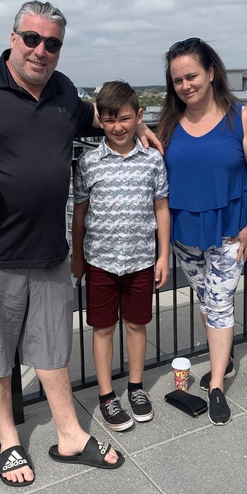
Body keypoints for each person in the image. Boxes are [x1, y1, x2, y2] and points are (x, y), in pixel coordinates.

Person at [0, 1, 159, 486]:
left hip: (48, 250)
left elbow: (96, 117)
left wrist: (140, 125)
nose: (41, 50)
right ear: (13, 38)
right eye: (32, 38)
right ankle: (9, 440)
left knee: (52, 346)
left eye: (52, 43)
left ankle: (70, 434)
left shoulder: (63, 91)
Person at [158, 38, 247, 426]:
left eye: (191, 76)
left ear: (210, 72)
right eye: (177, 80)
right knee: (207, 300)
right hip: (184, 232)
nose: (185, 85)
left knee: (219, 303)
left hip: (229, 230)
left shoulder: (242, 118)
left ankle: (217, 383)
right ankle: (226, 357)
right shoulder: (168, 123)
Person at [70, 80, 170, 431]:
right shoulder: (89, 161)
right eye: (110, 120)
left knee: (137, 324)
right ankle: (106, 394)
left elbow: (161, 208)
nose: (117, 127)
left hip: (141, 259)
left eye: (125, 119)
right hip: (100, 260)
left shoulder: (153, 160)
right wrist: (78, 257)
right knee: (102, 328)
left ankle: (136, 387)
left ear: (139, 116)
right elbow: (79, 213)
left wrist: (163, 255)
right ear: (100, 119)